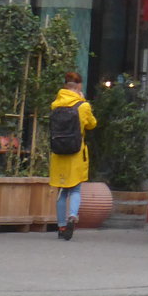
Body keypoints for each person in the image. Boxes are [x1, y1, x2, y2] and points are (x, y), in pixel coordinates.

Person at [48, 72, 97, 241]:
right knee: (75, 188)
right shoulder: (82, 106)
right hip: (76, 152)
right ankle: (72, 216)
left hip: (59, 152)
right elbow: (92, 124)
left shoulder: (55, 104)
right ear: (78, 86)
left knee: (62, 191)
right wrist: (84, 102)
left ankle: (61, 226)